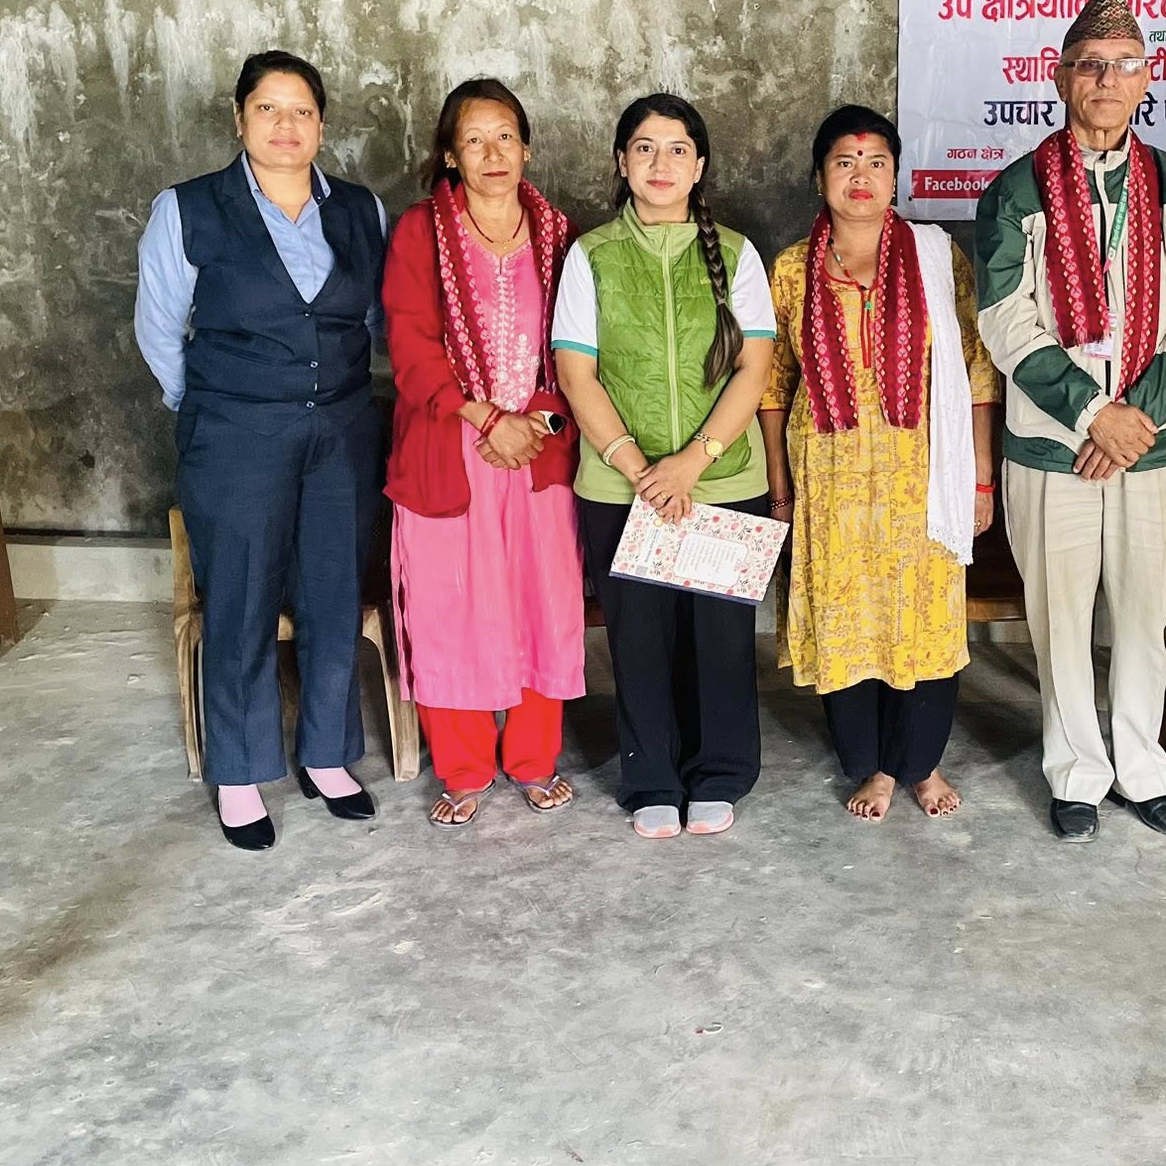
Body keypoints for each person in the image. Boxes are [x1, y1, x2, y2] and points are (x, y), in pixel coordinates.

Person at [974, 0, 1166, 841]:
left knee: (1145, 617)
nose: (1107, 80)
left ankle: (1145, 769)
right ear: (1060, 78)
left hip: (1154, 446)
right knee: (1061, 618)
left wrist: (1133, 423)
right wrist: (1093, 415)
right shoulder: (1016, 189)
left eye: (1123, 65)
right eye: (1090, 65)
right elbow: (1005, 319)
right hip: (1053, 448)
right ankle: (1077, 772)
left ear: (1147, 79)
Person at [134, 50, 387, 850]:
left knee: (332, 592)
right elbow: (159, 327)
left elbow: (373, 322)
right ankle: (240, 772)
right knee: (240, 599)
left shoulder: (361, 209)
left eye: (302, 110)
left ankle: (327, 755)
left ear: (322, 125)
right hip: (235, 433)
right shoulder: (188, 209)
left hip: (341, 430)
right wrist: (212, 405)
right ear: (239, 119)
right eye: (268, 108)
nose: (286, 125)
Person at [760, 106, 1000, 822]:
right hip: (828, 480)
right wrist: (781, 490)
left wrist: (980, 479)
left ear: (896, 177)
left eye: (876, 163)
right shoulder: (793, 270)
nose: (860, 176)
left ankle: (920, 763)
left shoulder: (936, 258)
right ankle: (872, 765)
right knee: (848, 618)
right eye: (844, 162)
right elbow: (772, 386)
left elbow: (976, 373)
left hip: (923, 478)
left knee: (924, 619)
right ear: (819, 177)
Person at [552, 94, 776, 840]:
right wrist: (639, 468)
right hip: (621, 488)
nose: (660, 163)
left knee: (720, 640)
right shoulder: (590, 256)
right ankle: (651, 776)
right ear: (622, 162)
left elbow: (754, 369)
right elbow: (576, 374)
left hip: (723, 479)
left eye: (678, 149)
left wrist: (690, 463)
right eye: (644, 148)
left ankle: (720, 773)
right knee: (640, 641)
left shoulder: (738, 254)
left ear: (699, 165)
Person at [382, 79, 587, 828]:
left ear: (526, 148)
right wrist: (485, 417)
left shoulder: (562, 237)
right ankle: (464, 768)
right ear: (450, 156)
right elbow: (409, 345)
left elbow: (579, 349)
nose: (492, 152)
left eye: (505, 136)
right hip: (449, 447)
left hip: (537, 449)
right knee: (450, 606)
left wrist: (537, 422)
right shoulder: (420, 233)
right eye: (474, 140)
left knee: (541, 602)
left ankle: (532, 758)